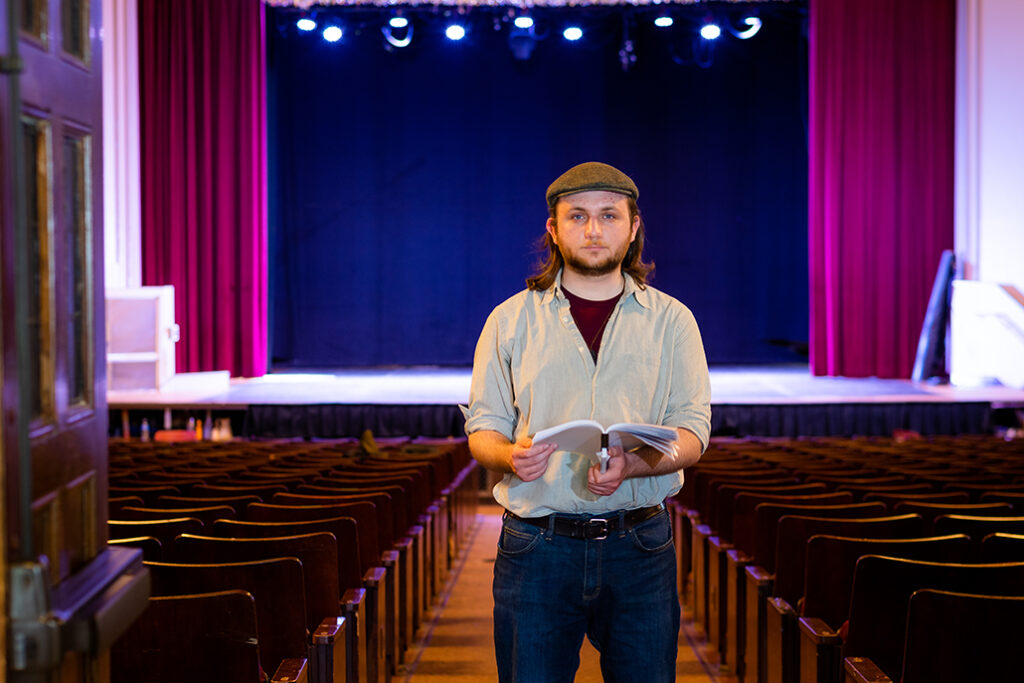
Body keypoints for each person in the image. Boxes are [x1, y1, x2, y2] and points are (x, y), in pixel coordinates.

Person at [463, 161, 712, 682]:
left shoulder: (674, 321)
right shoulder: (509, 320)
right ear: (553, 229)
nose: (594, 230)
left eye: (608, 215)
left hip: (641, 547)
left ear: (633, 226)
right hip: (534, 548)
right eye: (577, 216)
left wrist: (634, 465)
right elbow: (483, 428)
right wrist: (508, 455)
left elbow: (692, 431)